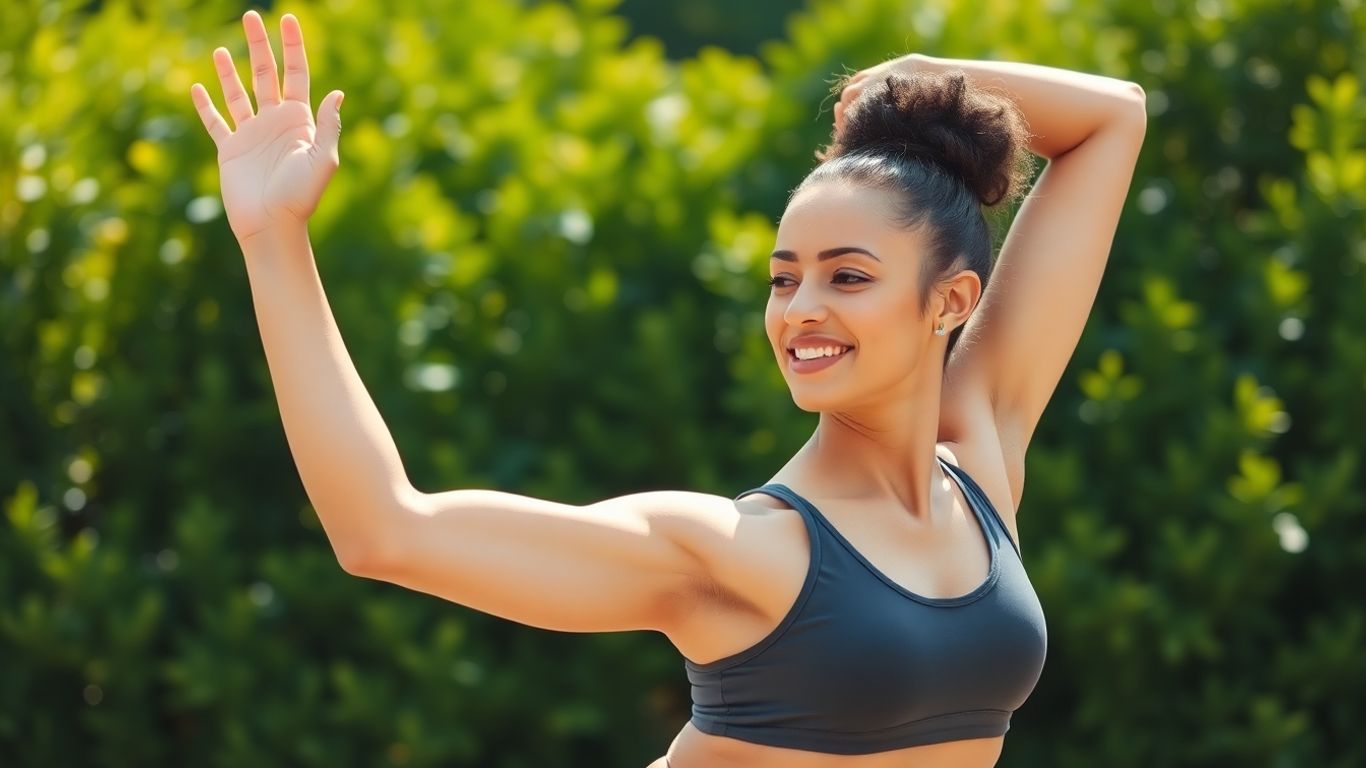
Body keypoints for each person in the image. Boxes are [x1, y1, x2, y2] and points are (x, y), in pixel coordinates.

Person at [191, 10, 1146, 768]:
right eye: (783, 277)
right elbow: (385, 530)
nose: (799, 309)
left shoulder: (980, 457)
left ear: (952, 302)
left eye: (847, 276)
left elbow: (1114, 120)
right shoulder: (735, 555)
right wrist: (273, 239)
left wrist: (899, 83)